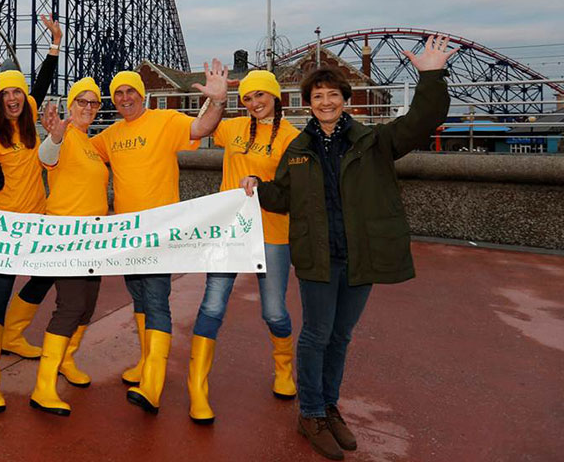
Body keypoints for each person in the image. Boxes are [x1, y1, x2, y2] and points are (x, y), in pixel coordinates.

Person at [241, 35, 455, 460]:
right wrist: (257, 187)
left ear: (345, 100)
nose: (325, 102)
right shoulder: (298, 149)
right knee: (316, 334)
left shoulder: (372, 142)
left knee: (340, 335)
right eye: (317, 96)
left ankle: (328, 406)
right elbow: (282, 196)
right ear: (308, 103)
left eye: (332, 95)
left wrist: (431, 75)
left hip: (360, 256)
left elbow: (421, 120)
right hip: (318, 258)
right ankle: (311, 413)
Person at [90, 63, 228, 415]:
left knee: (156, 301)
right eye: (118, 93)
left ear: (142, 94)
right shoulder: (110, 135)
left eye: (130, 91)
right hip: (126, 236)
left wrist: (218, 101)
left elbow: (202, 127)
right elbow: (78, 152)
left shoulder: (166, 121)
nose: (124, 98)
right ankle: (144, 360)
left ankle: (153, 380)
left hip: (159, 233)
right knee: (138, 296)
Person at [0, 15, 62, 413]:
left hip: (39, 217)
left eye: (18, 93)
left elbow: (42, 81)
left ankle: (14, 334)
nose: (15, 99)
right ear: (0, 100)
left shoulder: (30, 113)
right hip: (6, 223)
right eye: (8, 95)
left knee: (48, 272)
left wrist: (55, 43)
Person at [187, 70, 301, 424]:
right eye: (248, 98)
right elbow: (201, 126)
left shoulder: (292, 136)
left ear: (275, 97)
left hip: (271, 233)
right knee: (213, 305)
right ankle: (197, 388)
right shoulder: (233, 128)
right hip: (229, 232)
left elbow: (292, 188)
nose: (253, 104)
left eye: (260, 97)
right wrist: (217, 98)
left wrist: (262, 183)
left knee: (274, 311)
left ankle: (283, 370)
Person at [28, 77, 108, 416]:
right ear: (70, 105)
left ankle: (66, 359)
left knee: (88, 305)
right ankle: (43, 386)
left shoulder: (92, 143)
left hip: (94, 238)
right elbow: (47, 155)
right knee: (71, 304)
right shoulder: (64, 137)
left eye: (93, 103)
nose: (87, 108)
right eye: (81, 102)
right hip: (66, 236)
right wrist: (56, 134)